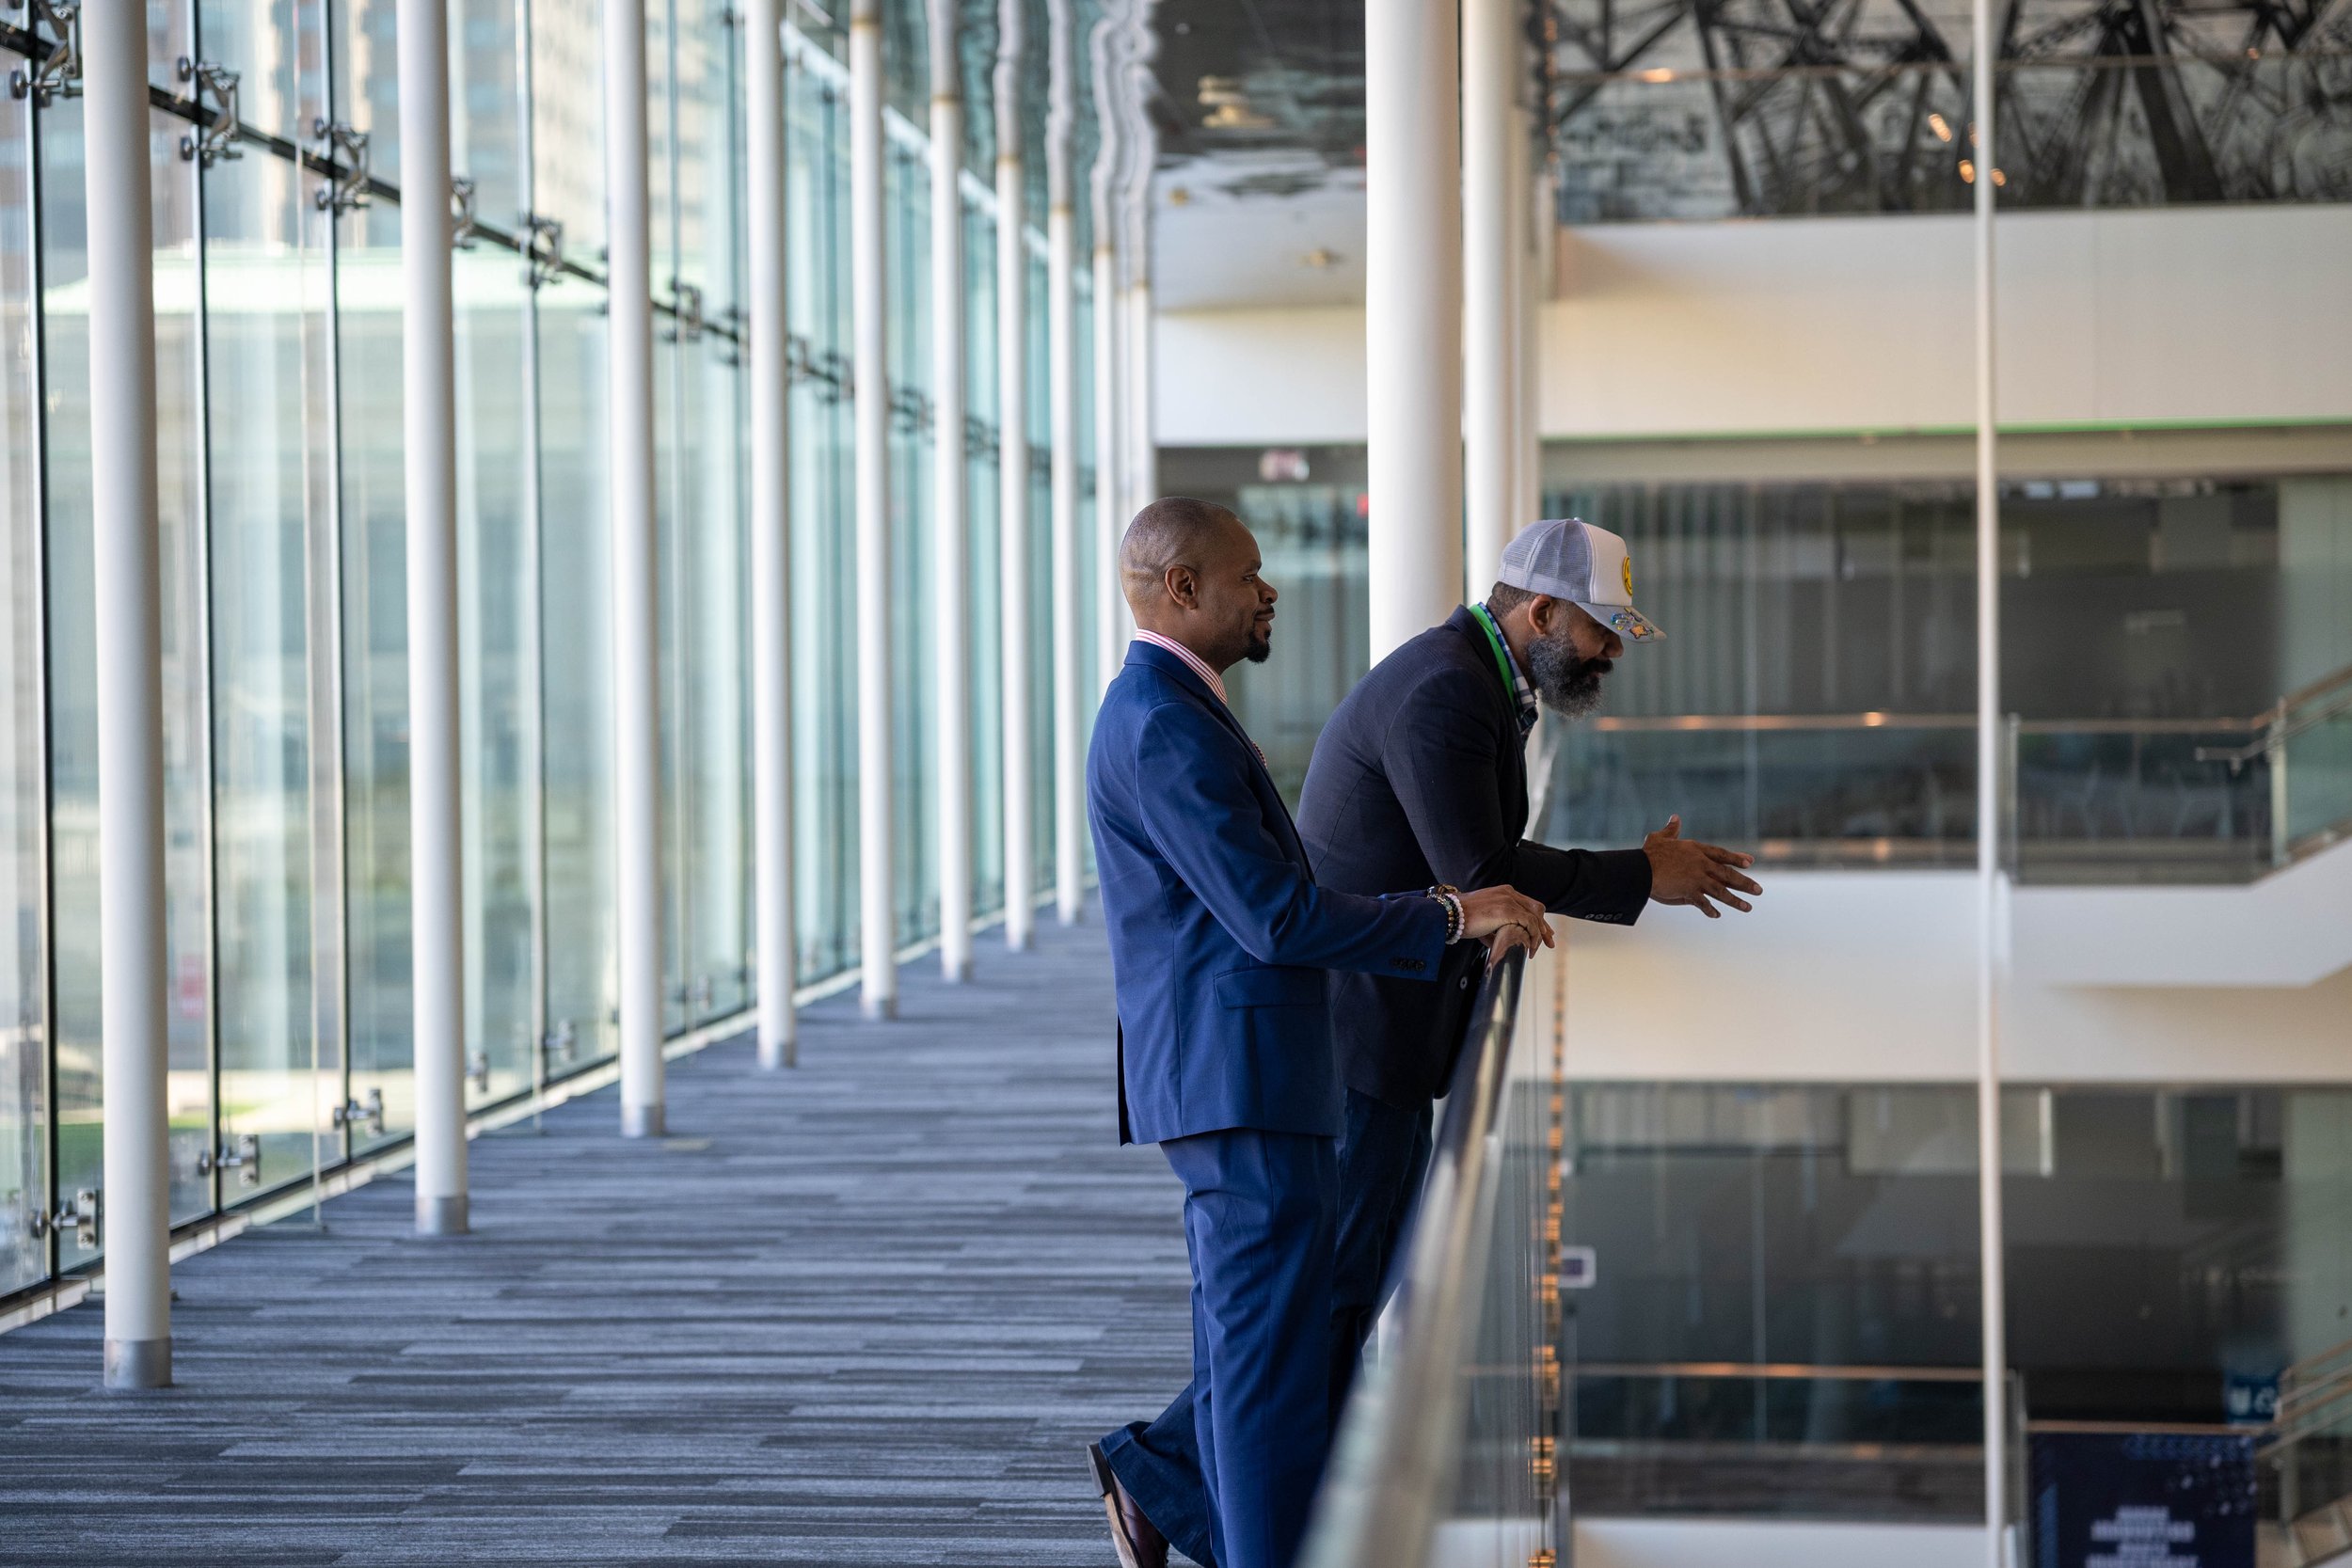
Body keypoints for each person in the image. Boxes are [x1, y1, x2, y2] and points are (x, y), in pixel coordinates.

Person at [1097, 517, 1762, 1568]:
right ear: (1541, 611)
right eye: (1601, 627)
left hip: (1341, 1040)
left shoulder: (1468, 682)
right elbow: (1467, 870)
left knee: (1314, 1308)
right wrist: (1631, 877)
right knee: (1307, 1314)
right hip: (1326, 1042)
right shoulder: (1439, 689)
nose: (1611, 650)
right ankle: (1180, 1484)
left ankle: (1181, 1483)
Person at [1082, 497, 1552, 1568]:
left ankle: (1183, 1501)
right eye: (1248, 574)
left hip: (1247, 1077)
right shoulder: (1161, 723)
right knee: (1267, 1376)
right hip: (1235, 1081)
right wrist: (1448, 912)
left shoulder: (1174, 709)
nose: (1269, 590)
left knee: (1263, 1361)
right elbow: (1274, 916)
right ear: (1182, 588)